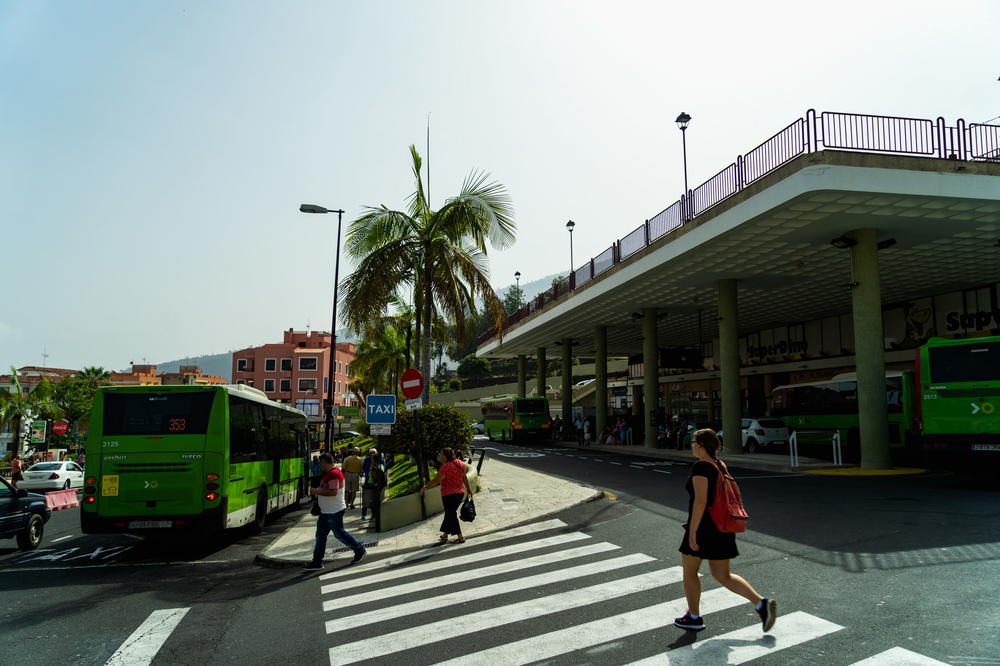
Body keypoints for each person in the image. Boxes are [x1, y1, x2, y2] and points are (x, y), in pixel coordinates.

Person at [674, 428, 776, 633]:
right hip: (723, 526)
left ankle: (693, 617)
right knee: (723, 575)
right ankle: (760, 603)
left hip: (704, 527)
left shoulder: (702, 467)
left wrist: (692, 532)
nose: (691, 445)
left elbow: (701, 501)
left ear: (701, 445)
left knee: (689, 571)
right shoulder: (719, 465)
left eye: (693, 442)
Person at [305, 453, 365, 570]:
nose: (320, 466)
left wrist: (315, 491)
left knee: (339, 534)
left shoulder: (333, 474)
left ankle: (359, 549)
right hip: (327, 511)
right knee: (321, 536)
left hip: (333, 511)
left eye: (321, 463)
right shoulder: (330, 473)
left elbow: (333, 491)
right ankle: (317, 561)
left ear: (325, 462)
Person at [419, 447, 474, 544]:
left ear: (445, 456)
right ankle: (445, 535)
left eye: (441, 454)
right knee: (450, 513)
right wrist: (468, 489)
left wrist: (424, 488)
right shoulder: (460, 463)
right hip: (459, 493)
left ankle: (460, 537)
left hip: (448, 495)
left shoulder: (445, 467)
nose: (439, 456)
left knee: (451, 514)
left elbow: (436, 481)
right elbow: (464, 477)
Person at [360, 451, 388, 522]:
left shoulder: (376, 467)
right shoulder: (380, 465)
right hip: (373, 484)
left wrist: (372, 471)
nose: (371, 460)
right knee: (371, 500)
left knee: (371, 500)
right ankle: (371, 515)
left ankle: (372, 515)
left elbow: (376, 477)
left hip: (374, 485)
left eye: (372, 459)